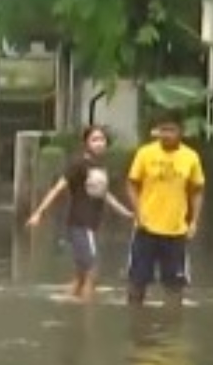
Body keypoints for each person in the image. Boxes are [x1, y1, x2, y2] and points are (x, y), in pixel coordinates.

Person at [27, 125, 134, 301]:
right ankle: (86, 316)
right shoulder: (78, 164)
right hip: (80, 223)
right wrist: (39, 212)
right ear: (86, 143)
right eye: (95, 139)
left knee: (81, 275)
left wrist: (126, 213)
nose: (99, 143)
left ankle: (71, 310)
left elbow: (105, 194)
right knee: (92, 270)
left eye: (102, 140)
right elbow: (57, 188)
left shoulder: (100, 166)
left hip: (92, 224)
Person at [125, 111, 206, 307]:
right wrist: (138, 212)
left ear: (181, 132)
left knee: (174, 285)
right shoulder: (145, 153)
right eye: (163, 130)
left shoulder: (190, 157)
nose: (167, 134)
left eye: (171, 130)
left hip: (176, 230)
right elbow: (131, 184)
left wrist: (194, 221)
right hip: (146, 228)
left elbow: (197, 191)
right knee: (137, 281)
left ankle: (171, 329)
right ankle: (137, 326)